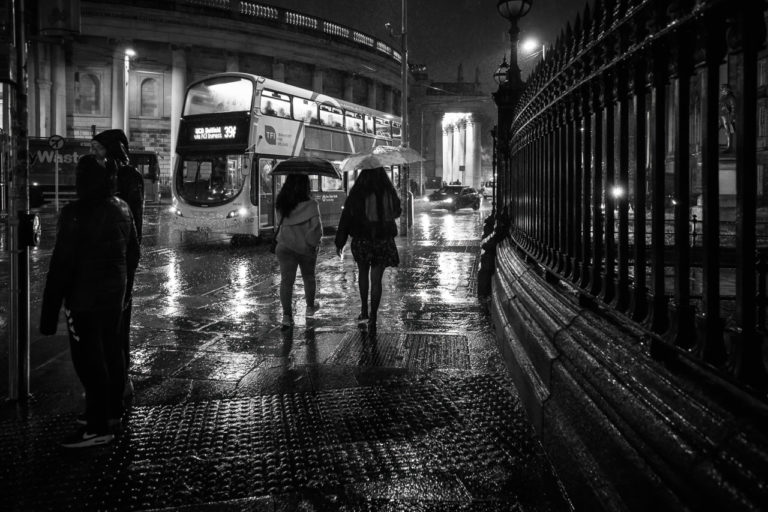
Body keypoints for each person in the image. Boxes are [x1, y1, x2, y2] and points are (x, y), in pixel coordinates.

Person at [40, 155, 140, 448]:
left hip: (83, 299)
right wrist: (122, 287)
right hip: (113, 298)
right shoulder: (122, 208)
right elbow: (132, 252)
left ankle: (97, 426)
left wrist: (49, 313)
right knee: (112, 352)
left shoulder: (75, 211)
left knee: (88, 361)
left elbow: (61, 265)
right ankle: (111, 413)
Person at [91, 129, 144, 404]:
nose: (93, 152)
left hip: (120, 261)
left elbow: (134, 225)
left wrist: (129, 263)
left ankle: (121, 378)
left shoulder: (128, 177)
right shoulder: (99, 175)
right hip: (101, 261)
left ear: (111, 150)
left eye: (97, 147)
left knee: (118, 322)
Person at [334, 167, 401, 333]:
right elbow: (397, 211)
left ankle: (363, 310)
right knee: (376, 280)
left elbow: (346, 218)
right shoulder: (387, 191)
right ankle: (373, 317)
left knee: (362, 273)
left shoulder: (357, 192)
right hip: (382, 241)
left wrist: (340, 241)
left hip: (362, 240)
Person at [274, 174, 323, 328]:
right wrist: (310, 243)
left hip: (284, 246)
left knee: (286, 282)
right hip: (305, 248)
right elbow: (317, 228)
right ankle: (309, 308)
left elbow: (279, 223)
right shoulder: (312, 204)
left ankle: (287, 317)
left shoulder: (281, 203)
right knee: (309, 277)